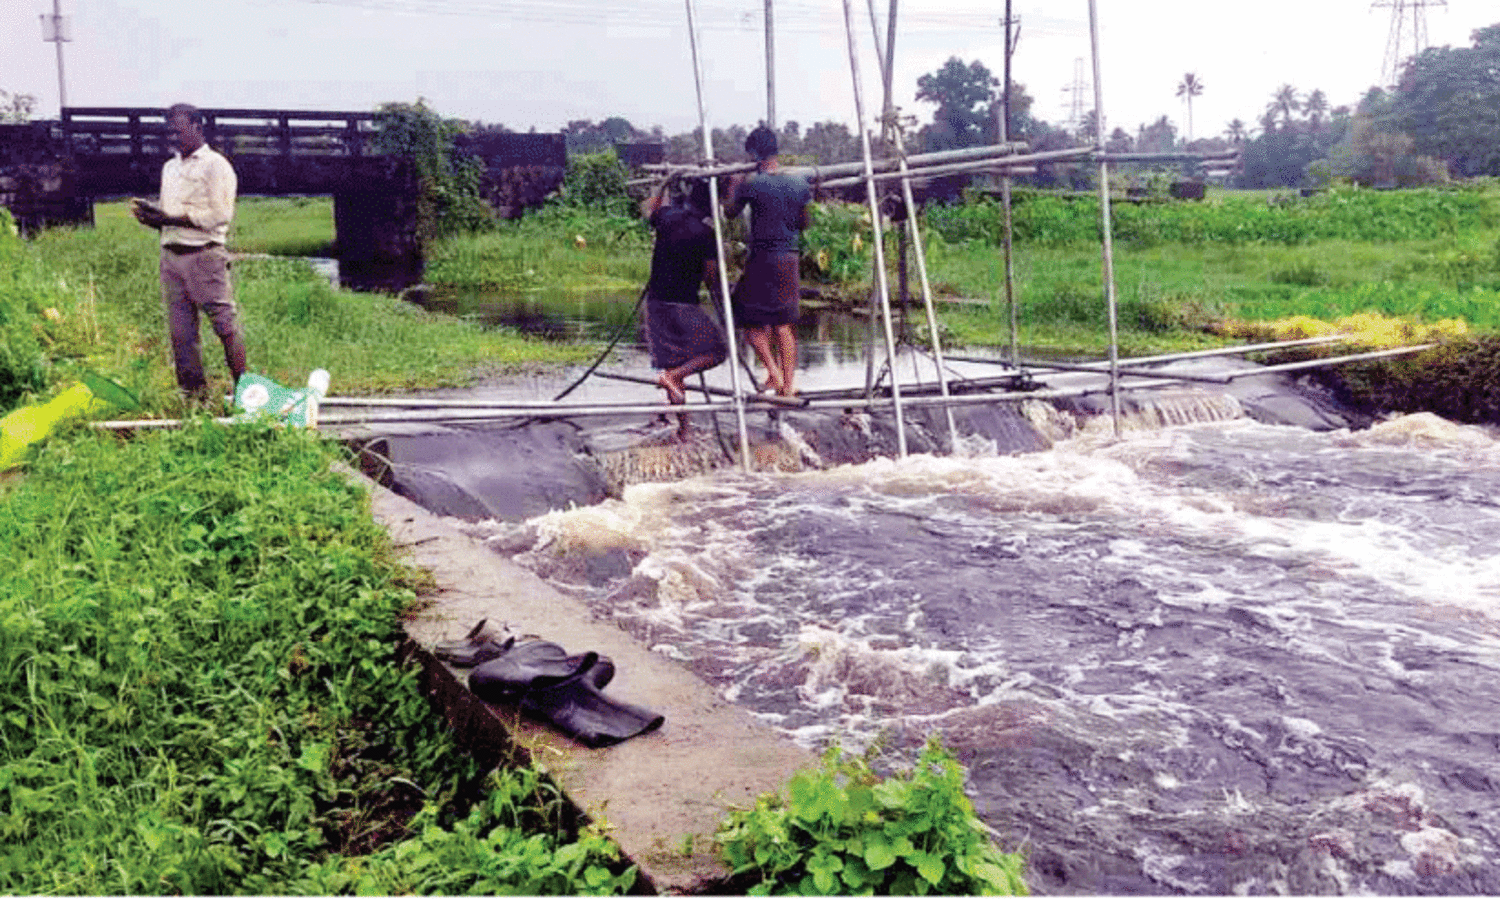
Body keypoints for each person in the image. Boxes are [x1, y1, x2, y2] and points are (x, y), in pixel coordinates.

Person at [131, 103, 247, 406]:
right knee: (181, 335)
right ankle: (194, 401)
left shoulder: (215, 165)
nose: (173, 136)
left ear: (197, 127)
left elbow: (220, 215)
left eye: (178, 130)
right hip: (171, 256)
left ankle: (247, 392)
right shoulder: (169, 167)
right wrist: (154, 219)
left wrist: (169, 218)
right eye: (168, 131)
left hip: (204, 255)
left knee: (224, 326)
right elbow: (171, 214)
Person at [725, 125, 811, 398]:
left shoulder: (753, 183)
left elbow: (729, 213)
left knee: (745, 316)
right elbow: (804, 222)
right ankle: (788, 385)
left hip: (763, 258)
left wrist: (734, 185)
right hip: (790, 258)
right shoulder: (799, 183)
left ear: (754, 154)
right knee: (784, 322)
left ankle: (773, 372)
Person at [640, 176, 729, 437]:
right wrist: (723, 303)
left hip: (656, 302)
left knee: (670, 362)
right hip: (682, 304)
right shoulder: (705, 233)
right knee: (717, 351)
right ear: (710, 206)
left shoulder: (667, 217)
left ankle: (684, 429)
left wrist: (663, 184)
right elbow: (712, 277)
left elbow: (649, 209)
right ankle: (675, 377)